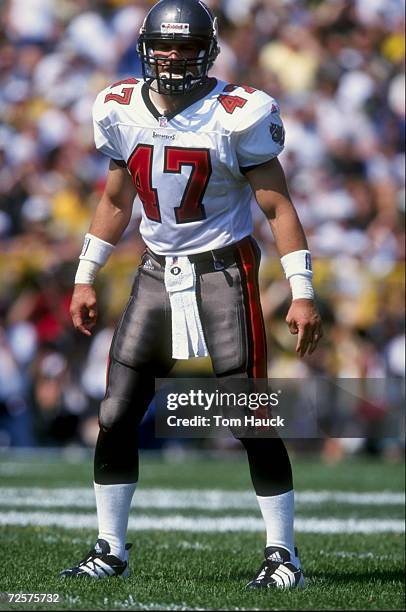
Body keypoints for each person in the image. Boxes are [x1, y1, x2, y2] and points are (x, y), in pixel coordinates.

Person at [59, 0, 322, 589]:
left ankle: (284, 556)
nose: (174, 57)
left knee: (248, 416)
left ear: (208, 49)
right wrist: (84, 274)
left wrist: (302, 291)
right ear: (147, 46)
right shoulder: (119, 106)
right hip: (155, 271)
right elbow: (115, 201)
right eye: (165, 45)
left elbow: (277, 206)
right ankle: (110, 549)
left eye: (186, 46)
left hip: (225, 273)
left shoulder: (238, 112)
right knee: (116, 411)